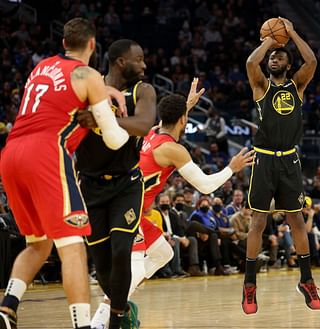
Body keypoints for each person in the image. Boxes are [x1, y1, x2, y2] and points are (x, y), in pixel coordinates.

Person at [90, 81, 253, 328]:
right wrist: (232, 167)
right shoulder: (173, 149)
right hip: (125, 210)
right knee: (133, 267)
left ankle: (119, 299)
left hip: (119, 203)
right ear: (183, 121)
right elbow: (206, 187)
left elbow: (171, 120)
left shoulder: (152, 131)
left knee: (163, 253)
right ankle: (101, 319)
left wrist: (185, 106)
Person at [0, 18, 129, 329]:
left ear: (64, 44)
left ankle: (6, 310)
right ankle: (82, 325)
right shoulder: (89, 74)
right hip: (45, 153)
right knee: (72, 247)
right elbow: (114, 139)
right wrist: (115, 121)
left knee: (38, 244)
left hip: (11, 154)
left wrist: (100, 94)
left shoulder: (41, 66)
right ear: (93, 45)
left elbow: (61, 95)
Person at [76, 38, 157, 329]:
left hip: (126, 184)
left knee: (122, 250)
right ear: (122, 61)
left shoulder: (142, 90)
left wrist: (101, 118)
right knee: (102, 267)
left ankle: (116, 321)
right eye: (139, 59)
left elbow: (144, 124)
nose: (145, 65)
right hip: (91, 186)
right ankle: (123, 308)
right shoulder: (89, 87)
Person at [242, 17, 320, 314]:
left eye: (279, 56)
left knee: (297, 221)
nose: (274, 58)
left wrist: (291, 33)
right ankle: (250, 285)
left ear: (288, 65)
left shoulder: (297, 85)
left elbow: (311, 59)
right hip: (263, 158)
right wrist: (270, 41)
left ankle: (307, 280)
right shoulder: (261, 86)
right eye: (272, 56)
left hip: (289, 159)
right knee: (258, 223)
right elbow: (251, 62)